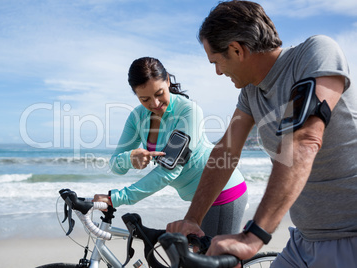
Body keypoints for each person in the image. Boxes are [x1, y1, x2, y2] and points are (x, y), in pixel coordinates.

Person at [166, 1, 357, 267]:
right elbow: (226, 151)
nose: (218, 72)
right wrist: (193, 219)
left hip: (349, 238)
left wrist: (252, 237)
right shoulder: (251, 92)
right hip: (303, 240)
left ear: (236, 50)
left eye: (217, 62)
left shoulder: (315, 53)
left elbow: (304, 140)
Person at [94, 56, 248, 237]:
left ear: (167, 80)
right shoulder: (137, 117)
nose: (155, 104)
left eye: (159, 94)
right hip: (197, 201)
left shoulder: (188, 111)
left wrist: (116, 199)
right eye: (145, 99)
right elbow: (115, 166)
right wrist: (129, 159)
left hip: (223, 192)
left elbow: (169, 170)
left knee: (215, 261)